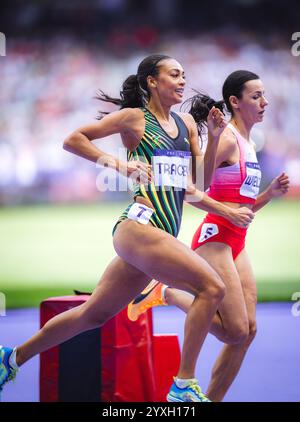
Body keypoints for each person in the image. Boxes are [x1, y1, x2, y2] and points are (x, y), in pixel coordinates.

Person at [0, 56, 254, 402]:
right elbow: (73, 140)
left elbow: (200, 183)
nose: (182, 81)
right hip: (139, 226)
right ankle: (183, 384)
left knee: (94, 314)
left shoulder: (188, 126)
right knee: (212, 286)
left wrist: (213, 135)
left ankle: (12, 358)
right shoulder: (136, 119)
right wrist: (121, 165)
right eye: (174, 74)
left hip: (160, 235)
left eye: (184, 76)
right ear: (152, 81)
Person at [127, 70, 290, 401]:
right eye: (256, 96)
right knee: (235, 331)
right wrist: (227, 210)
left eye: (264, 95)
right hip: (215, 238)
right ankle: (168, 293)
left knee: (249, 331)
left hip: (236, 240)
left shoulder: (249, 143)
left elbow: (242, 211)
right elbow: (191, 188)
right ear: (235, 102)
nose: (265, 101)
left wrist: (269, 194)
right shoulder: (228, 137)